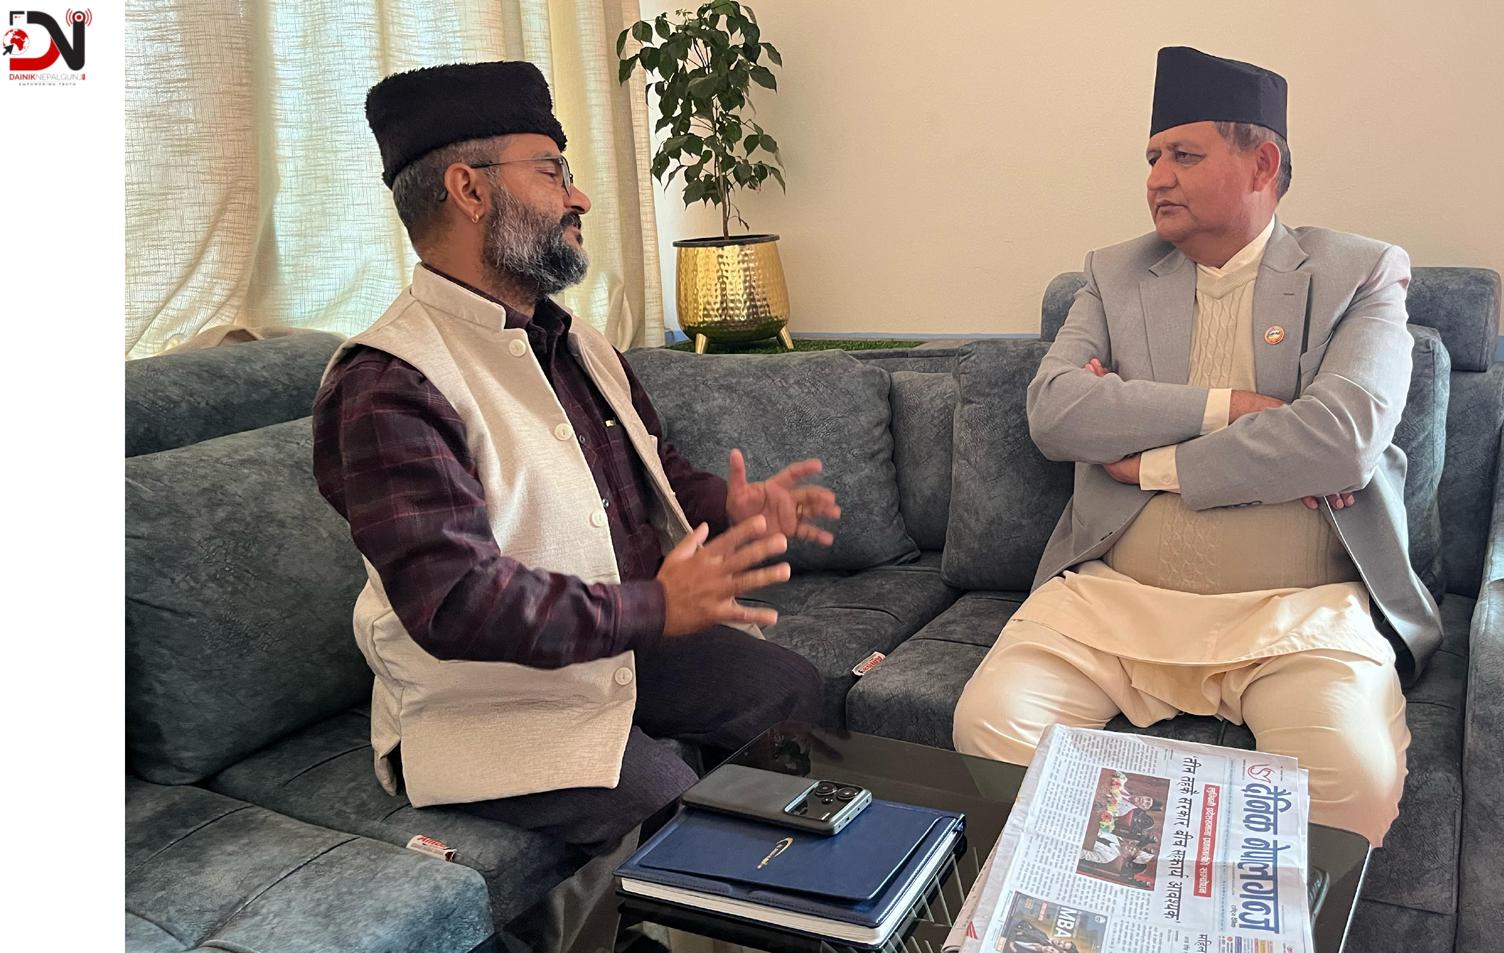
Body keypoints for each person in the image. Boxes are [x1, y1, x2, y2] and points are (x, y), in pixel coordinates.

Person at [313, 61, 835, 851]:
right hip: (493, 698)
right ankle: (683, 928)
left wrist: (731, 506)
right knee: (668, 802)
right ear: (469, 190)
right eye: (553, 171)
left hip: (620, 647)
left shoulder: (575, 339)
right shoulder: (389, 382)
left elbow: (649, 471)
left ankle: (797, 888)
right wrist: (655, 607)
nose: (579, 196)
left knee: (787, 689)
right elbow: (455, 601)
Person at [953, 47, 1443, 847]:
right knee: (991, 726)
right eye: (1152, 158)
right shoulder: (1113, 276)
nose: (1157, 178)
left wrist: (1150, 461)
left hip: (1295, 617)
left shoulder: (1358, 276)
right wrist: (1236, 408)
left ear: (1263, 164)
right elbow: (1055, 413)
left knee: (1353, 780)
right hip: (1114, 604)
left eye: (1183, 155)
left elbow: (1341, 438)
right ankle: (1104, 911)